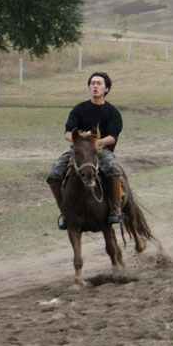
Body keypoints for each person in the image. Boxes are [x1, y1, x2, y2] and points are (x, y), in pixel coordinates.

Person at [47, 71, 123, 230]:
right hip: (79, 149)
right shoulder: (79, 109)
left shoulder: (112, 112)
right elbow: (68, 132)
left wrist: (94, 142)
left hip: (100, 150)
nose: (95, 86)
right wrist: (79, 141)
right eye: (92, 83)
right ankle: (65, 212)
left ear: (106, 89)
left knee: (113, 169)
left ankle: (115, 209)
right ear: (89, 87)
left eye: (99, 84)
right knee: (54, 173)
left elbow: (112, 137)